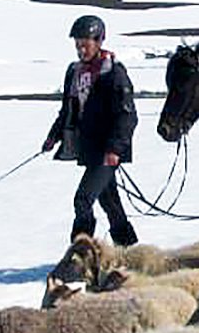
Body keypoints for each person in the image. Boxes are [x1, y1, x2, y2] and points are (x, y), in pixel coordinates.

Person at [42, 14, 139, 246]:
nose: (81, 50)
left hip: (107, 151)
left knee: (82, 200)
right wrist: (53, 135)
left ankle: (80, 251)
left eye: (85, 44)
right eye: (78, 45)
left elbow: (127, 117)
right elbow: (68, 109)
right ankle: (128, 249)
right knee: (110, 202)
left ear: (99, 41)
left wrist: (115, 149)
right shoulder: (74, 72)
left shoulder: (114, 73)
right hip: (89, 148)